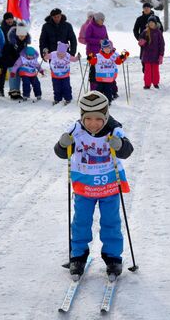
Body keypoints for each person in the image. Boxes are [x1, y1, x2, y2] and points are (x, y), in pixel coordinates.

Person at [53, 90, 134, 278]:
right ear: (82, 116)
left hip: (109, 187)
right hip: (84, 186)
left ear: (106, 115)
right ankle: (78, 256)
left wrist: (119, 145)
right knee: (81, 222)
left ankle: (113, 258)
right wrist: (62, 145)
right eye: (88, 119)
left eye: (98, 119)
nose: (93, 124)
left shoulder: (115, 130)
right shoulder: (76, 129)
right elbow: (61, 153)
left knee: (111, 222)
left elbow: (127, 151)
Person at [87, 39, 127, 104]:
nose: (107, 49)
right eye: (105, 48)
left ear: (110, 48)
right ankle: (97, 102)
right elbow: (92, 62)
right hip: (100, 79)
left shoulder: (113, 56)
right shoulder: (98, 56)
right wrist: (90, 58)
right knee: (99, 90)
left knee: (108, 90)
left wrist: (122, 56)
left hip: (109, 79)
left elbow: (118, 62)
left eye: (108, 48)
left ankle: (108, 102)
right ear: (102, 49)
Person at [133, 3, 163, 73]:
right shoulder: (139, 19)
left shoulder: (156, 18)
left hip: (155, 44)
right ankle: (147, 80)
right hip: (144, 45)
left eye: (148, 7)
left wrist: (158, 39)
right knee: (144, 61)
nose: (146, 9)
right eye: (144, 7)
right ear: (143, 9)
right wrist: (139, 39)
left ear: (150, 8)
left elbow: (161, 29)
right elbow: (135, 30)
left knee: (154, 62)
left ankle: (154, 80)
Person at [84, 12, 110, 92]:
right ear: (97, 19)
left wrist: (108, 45)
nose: (103, 21)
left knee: (101, 70)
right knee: (94, 71)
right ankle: (94, 89)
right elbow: (87, 39)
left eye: (103, 20)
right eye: (101, 20)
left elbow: (106, 37)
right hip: (92, 52)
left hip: (102, 52)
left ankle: (102, 88)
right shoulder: (90, 26)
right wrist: (98, 41)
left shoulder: (104, 27)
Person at [6, 22, 32, 100]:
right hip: (12, 62)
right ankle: (13, 92)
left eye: (23, 36)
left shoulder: (24, 42)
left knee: (18, 76)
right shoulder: (12, 42)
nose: (21, 37)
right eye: (20, 35)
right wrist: (10, 61)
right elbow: (8, 52)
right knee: (13, 76)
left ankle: (17, 92)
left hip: (20, 62)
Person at [138, 16, 165, 89]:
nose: (151, 24)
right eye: (150, 22)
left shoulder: (158, 32)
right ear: (148, 23)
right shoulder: (145, 31)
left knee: (155, 71)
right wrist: (142, 42)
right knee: (147, 71)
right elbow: (140, 41)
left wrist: (161, 55)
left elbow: (162, 44)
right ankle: (147, 84)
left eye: (152, 22)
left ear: (155, 23)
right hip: (147, 55)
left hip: (156, 56)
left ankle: (155, 83)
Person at [0, 12, 16, 97]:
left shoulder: (17, 27)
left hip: (14, 53)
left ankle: (14, 89)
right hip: (4, 53)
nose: (9, 20)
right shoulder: (1, 28)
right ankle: (1, 90)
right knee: (3, 72)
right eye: (7, 19)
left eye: (11, 18)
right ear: (5, 20)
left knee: (14, 72)